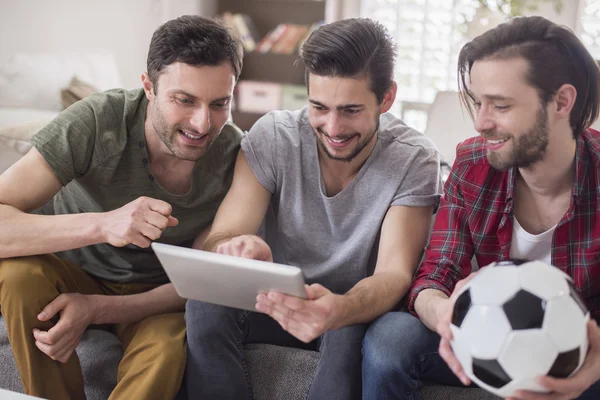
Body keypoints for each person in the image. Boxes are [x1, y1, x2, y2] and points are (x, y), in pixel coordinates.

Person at [184, 17, 442, 400]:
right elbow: (223, 235)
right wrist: (236, 248)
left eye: (351, 110)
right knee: (203, 304)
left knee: (346, 330)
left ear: (386, 97)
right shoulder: (274, 136)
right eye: (318, 107)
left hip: (351, 307)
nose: (333, 128)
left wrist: (340, 308)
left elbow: (394, 273)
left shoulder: (414, 159)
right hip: (275, 302)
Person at [0, 15, 243, 400]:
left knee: (166, 349)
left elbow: (203, 282)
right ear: (148, 86)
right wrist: (101, 225)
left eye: (219, 103)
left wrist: (98, 309)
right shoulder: (97, 121)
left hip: (153, 296)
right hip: (70, 270)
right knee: (17, 275)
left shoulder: (237, 156)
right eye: (184, 100)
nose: (202, 123)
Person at [362, 15, 600, 400]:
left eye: (500, 106)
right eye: (477, 102)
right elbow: (434, 275)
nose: (480, 123)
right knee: (390, 338)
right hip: (483, 337)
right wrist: (446, 316)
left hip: (582, 357)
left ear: (561, 102)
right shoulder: (473, 162)